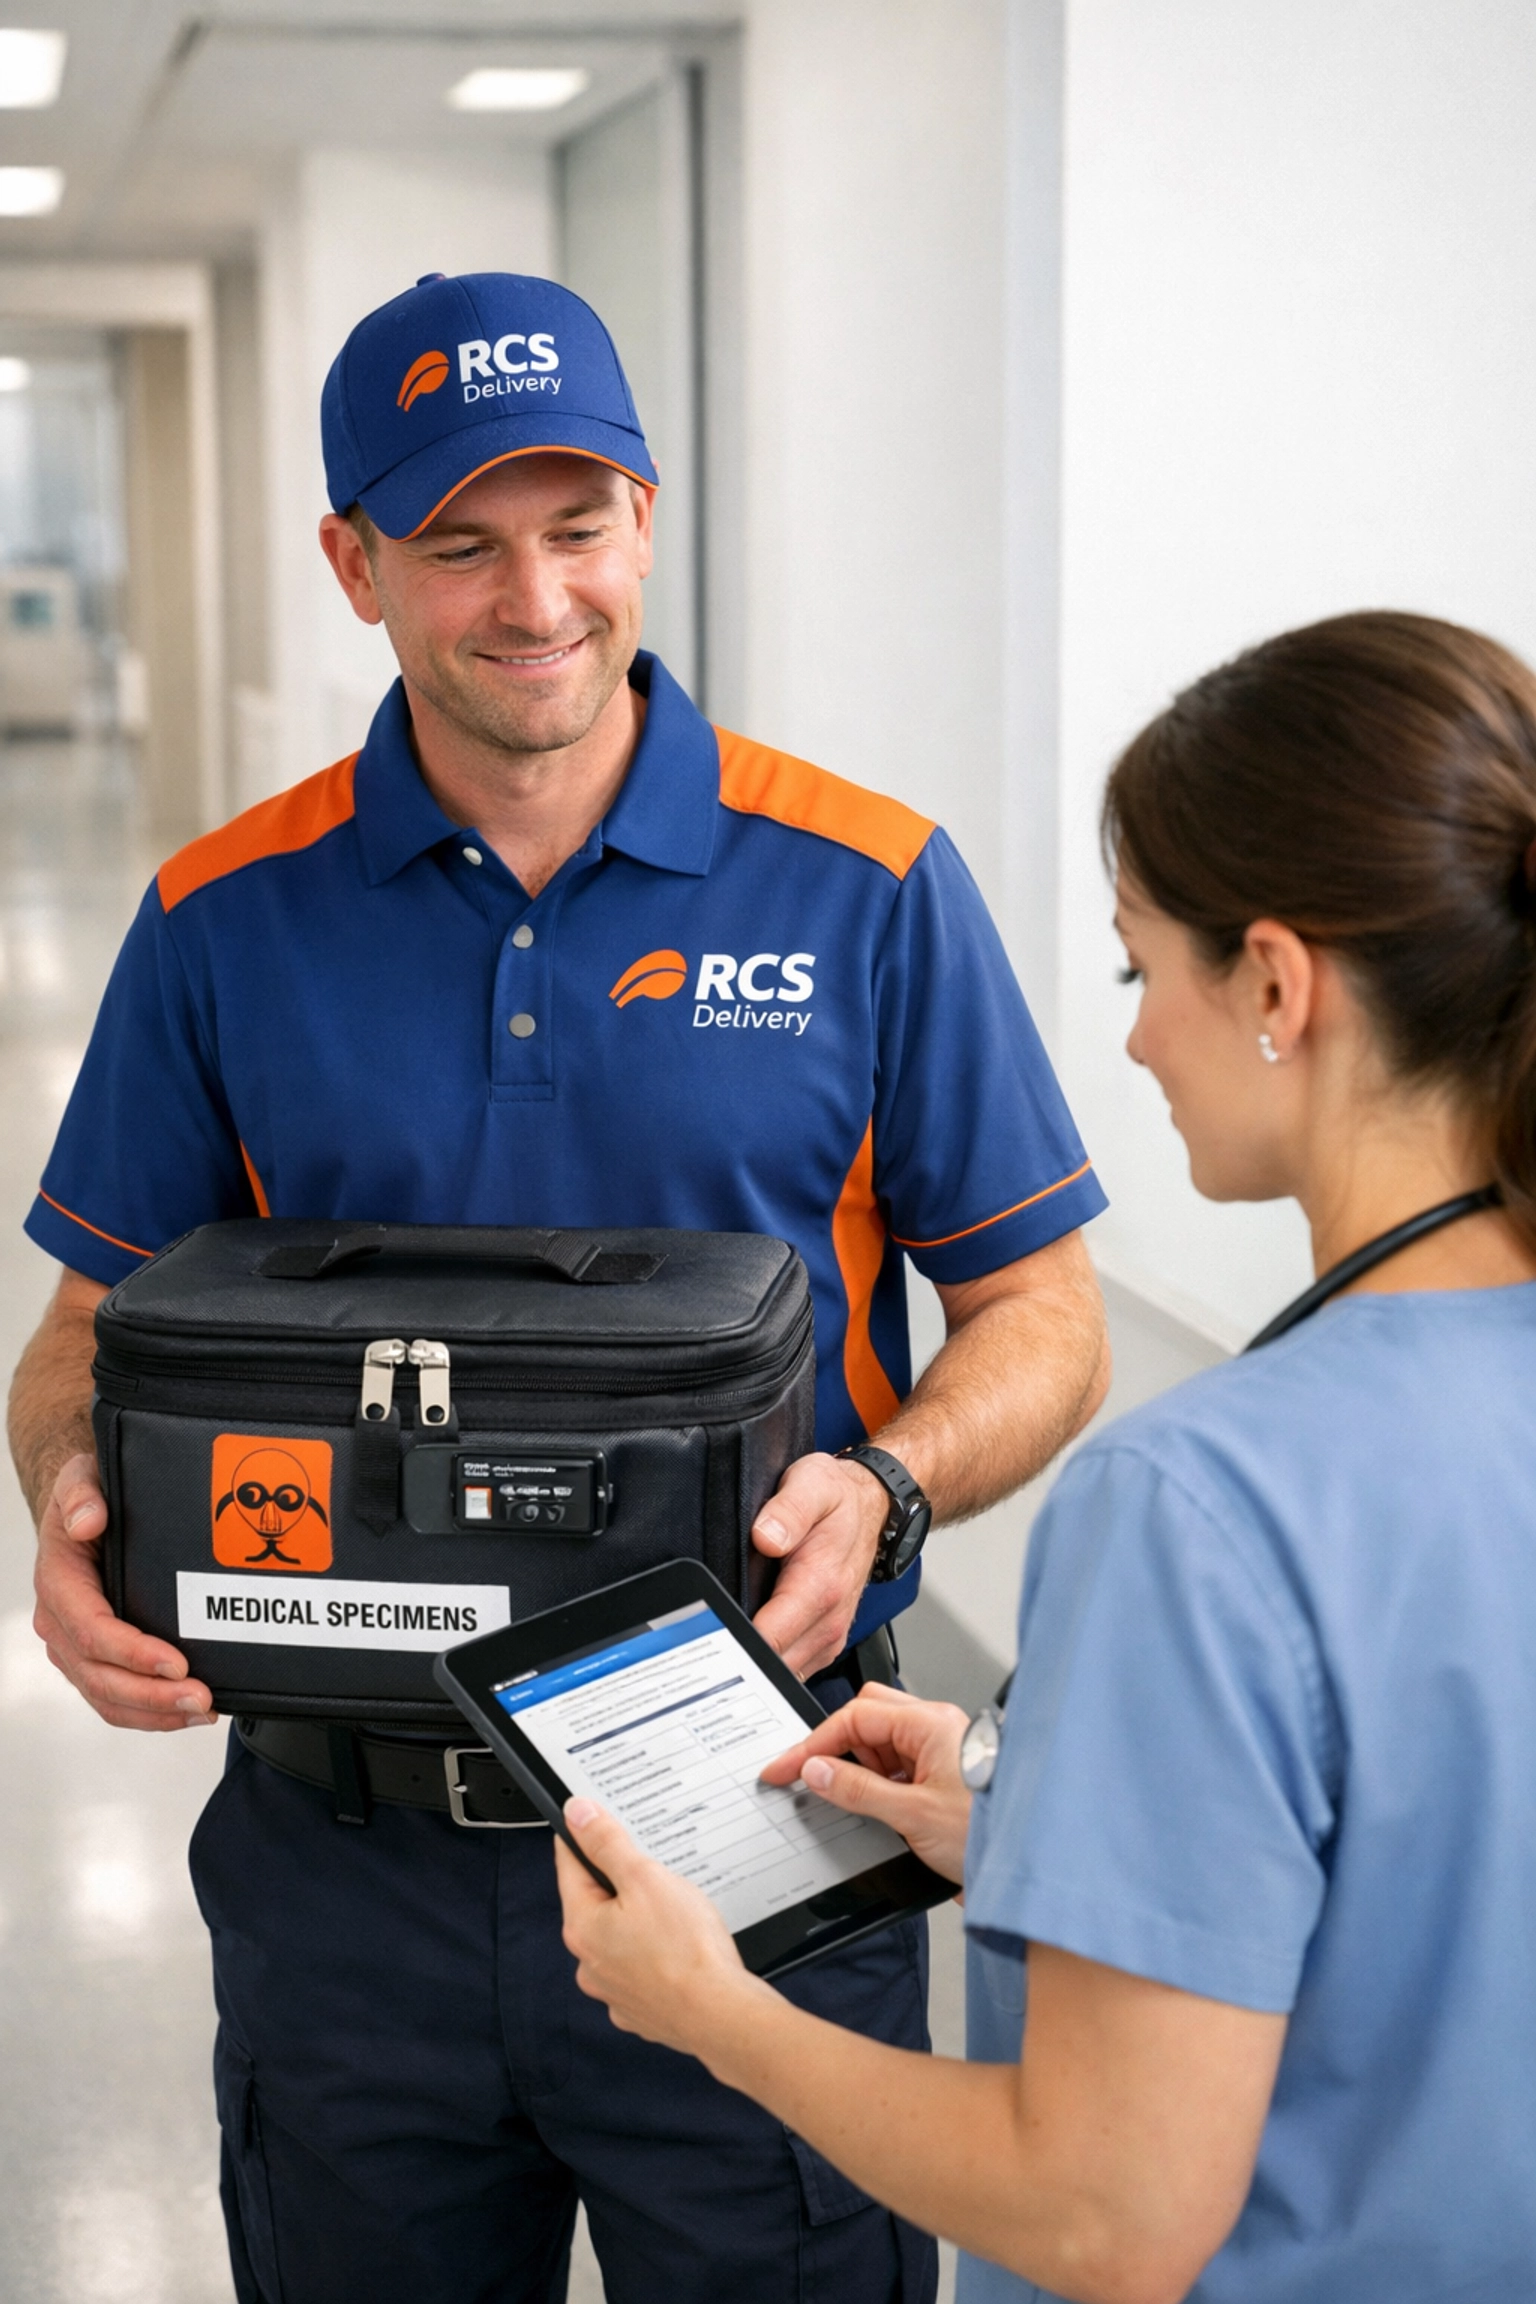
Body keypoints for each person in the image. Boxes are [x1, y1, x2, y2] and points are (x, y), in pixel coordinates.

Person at [6, 270, 1110, 2304]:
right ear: (354, 564)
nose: (537, 600)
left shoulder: (863, 886)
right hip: (351, 1873)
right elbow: (79, 1329)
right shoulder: (222, 920)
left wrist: (897, 1482)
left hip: (770, 1822)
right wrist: (74, 1506)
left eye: (579, 524)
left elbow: (1044, 1312)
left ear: (649, 520)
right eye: (460, 545)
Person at [556, 608, 1536, 2304]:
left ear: (1279, 986)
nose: (1141, 1040)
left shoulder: (1208, 1509)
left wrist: (713, 2014)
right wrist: (1037, 1819)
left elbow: (1106, 2212)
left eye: (1142, 966)